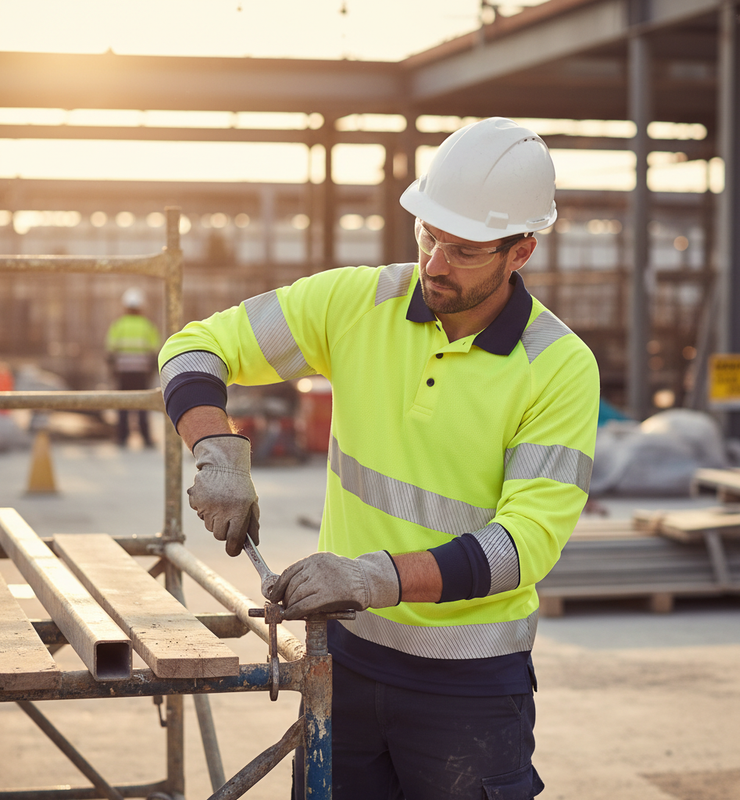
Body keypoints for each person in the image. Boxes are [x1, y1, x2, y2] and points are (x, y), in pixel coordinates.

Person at [159, 117, 599, 799]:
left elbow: (523, 546)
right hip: (344, 659)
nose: (433, 264)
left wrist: (372, 578)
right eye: (427, 235)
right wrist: (215, 448)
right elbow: (194, 346)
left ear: (521, 252)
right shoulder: (360, 302)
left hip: (470, 686)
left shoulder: (559, 368)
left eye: (464, 249)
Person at [106, 287, 161, 447]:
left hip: (123, 372)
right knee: (143, 404)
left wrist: (113, 370)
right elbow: (154, 351)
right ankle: (146, 438)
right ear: (141, 307)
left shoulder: (118, 325)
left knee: (123, 404)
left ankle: (122, 438)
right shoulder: (147, 326)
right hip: (141, 372)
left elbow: (110, 351)